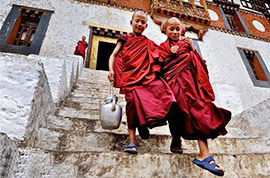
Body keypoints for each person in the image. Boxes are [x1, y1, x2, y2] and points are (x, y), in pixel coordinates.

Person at [158, 17, 231, 176]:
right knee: (177, 113)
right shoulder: (162, 48)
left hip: (192, 86)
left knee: (199, 112)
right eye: (172, 29)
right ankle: (176, 138)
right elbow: (157, 66)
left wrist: (192, 49)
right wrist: (169, 54)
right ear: (165, 30)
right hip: (174, 85)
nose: (175, 32)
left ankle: (204, 155)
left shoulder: (187, 44)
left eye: (178, 29)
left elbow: (200, 63)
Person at [108, 11, 176, 154]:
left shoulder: (147, 43)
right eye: (137, 21)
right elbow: (113, 55)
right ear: (131, 22)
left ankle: (144, 124)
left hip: (145, 77)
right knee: (132, 104)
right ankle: (132, 141)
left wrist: (171, 51)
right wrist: (111, 70)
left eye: (142, 22)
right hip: (130, 78)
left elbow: (160, 54)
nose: (139, 24)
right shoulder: (124, 39)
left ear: (146, 26)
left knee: (164, 93)